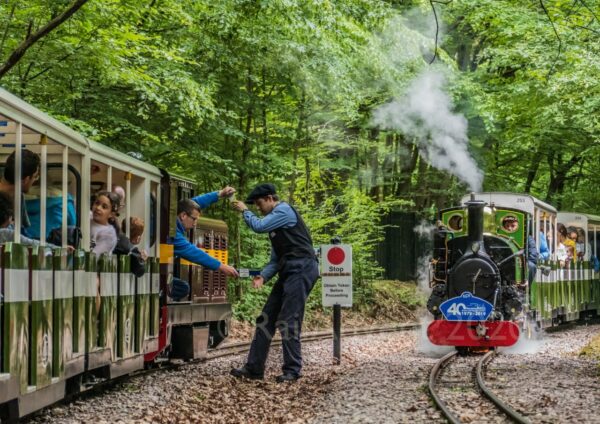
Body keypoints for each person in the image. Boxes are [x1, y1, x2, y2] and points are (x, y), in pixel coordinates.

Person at [230, 183, 319, 382]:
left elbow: (258, 226)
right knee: (265, 319)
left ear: (270, 198)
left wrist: (245, 210)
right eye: (254, 207)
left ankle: (292, 370)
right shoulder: (276, 227)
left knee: (289, 319)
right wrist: (264, 276)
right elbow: (275, 259)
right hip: (289, 270)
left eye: (260, 204)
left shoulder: (284, 211)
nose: (258, 209)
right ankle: (254, 368)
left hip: (303, 269)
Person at [169, 187, 239, 301]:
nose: (195, 224)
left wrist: (219, 194)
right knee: (182, 288)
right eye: (194, 219)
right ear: (183, 215)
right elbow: (192, 252)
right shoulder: (172, 233)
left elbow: (195, 203)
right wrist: (221, 266)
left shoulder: (176, 214)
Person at [0, 149, 40, 233]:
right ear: (25, 180)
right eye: (35, 176)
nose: (35, 180)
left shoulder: (18, 197)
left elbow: (22, 233)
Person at [90, 191, 120, 255]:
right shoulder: (87, 218)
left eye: (104, 207)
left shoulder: (109, 234)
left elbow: (95, 256)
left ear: (111, 214)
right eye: (97, 203)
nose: (98, 208)